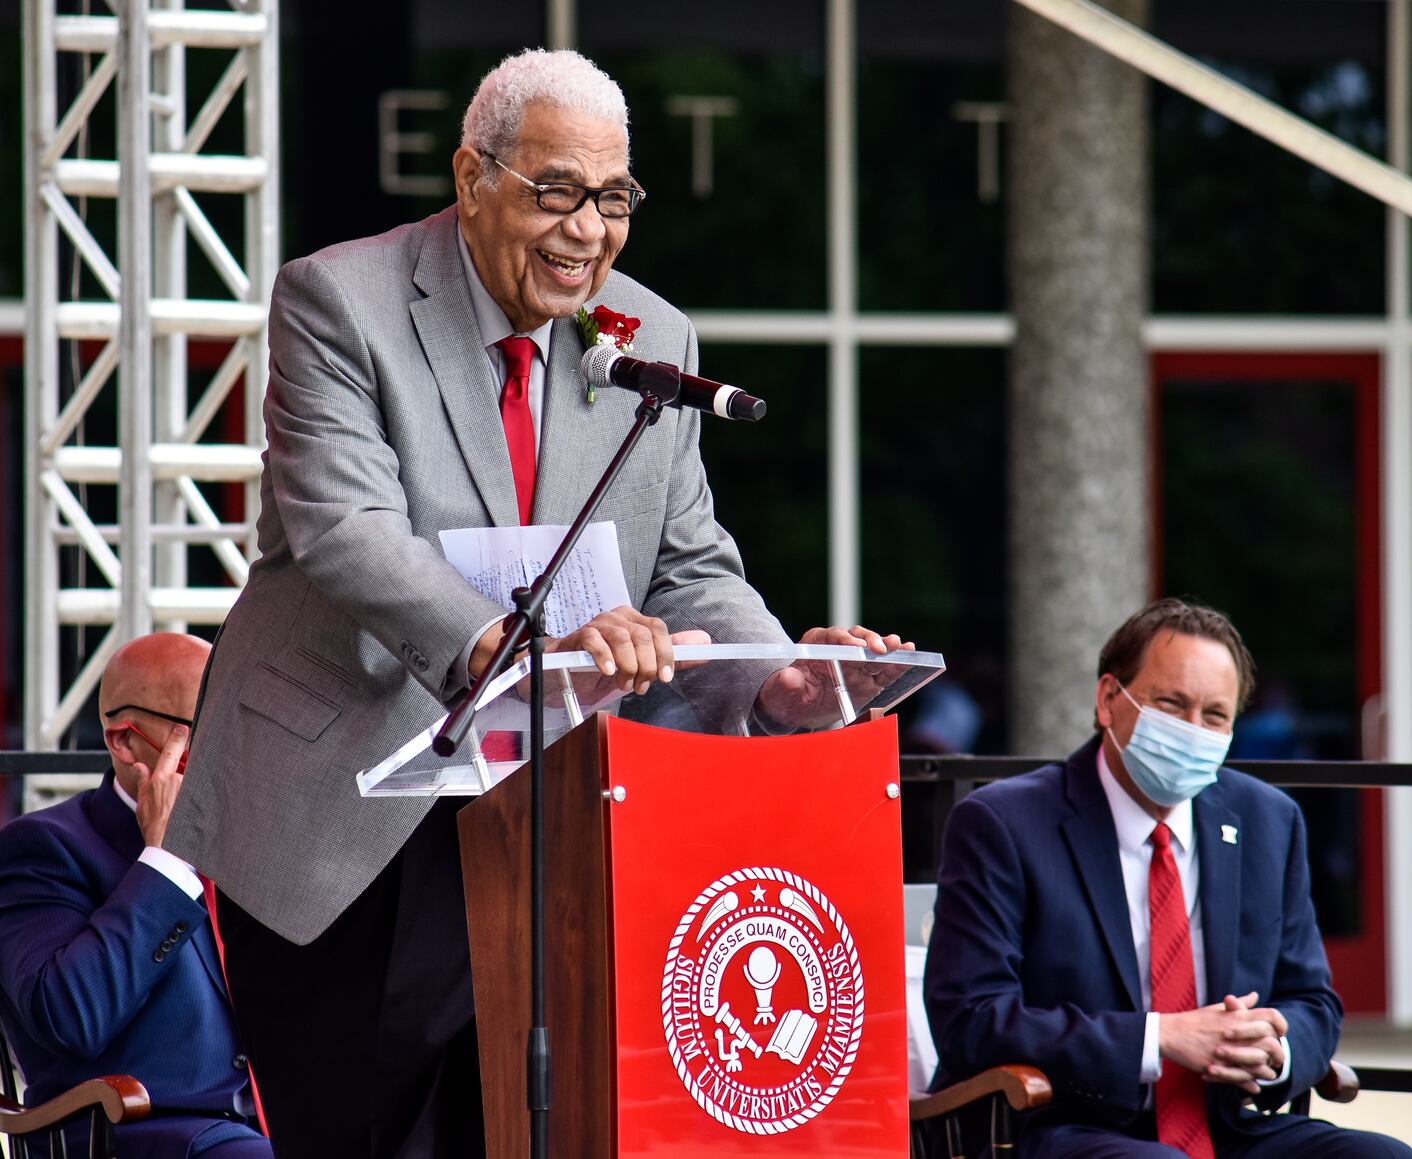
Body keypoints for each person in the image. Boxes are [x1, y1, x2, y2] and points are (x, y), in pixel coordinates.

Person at [163, 47, 905, 1159]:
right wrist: (525, 647)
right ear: (472, 178)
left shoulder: (651, 337)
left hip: (550, 818)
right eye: (555, 191)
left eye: (613, 199)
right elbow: (346, 532)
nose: (586, 230)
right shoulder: (338, 300)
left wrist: (776, 674)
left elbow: (689, 560)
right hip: (343, 808)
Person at [923, 599, 1412, 1159]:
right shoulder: (1003, 823)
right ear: (1109, 699)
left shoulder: (1267, 820)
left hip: (1226, 1121)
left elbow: (1312, 1000)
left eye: (1214, 716)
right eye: (1171, 704)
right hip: (1059, 1124)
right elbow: (971, 1018)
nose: (1193, 731)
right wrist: (1160, 1039)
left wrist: (1272, 1049)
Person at [0, 634, 269, 1159]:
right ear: (126, 742)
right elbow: (69, 1016)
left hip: (275, 1127)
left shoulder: (254, 843)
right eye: (213, 724)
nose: (239, 745)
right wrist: (164, 863)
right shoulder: (42, 848)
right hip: (143, 1135)